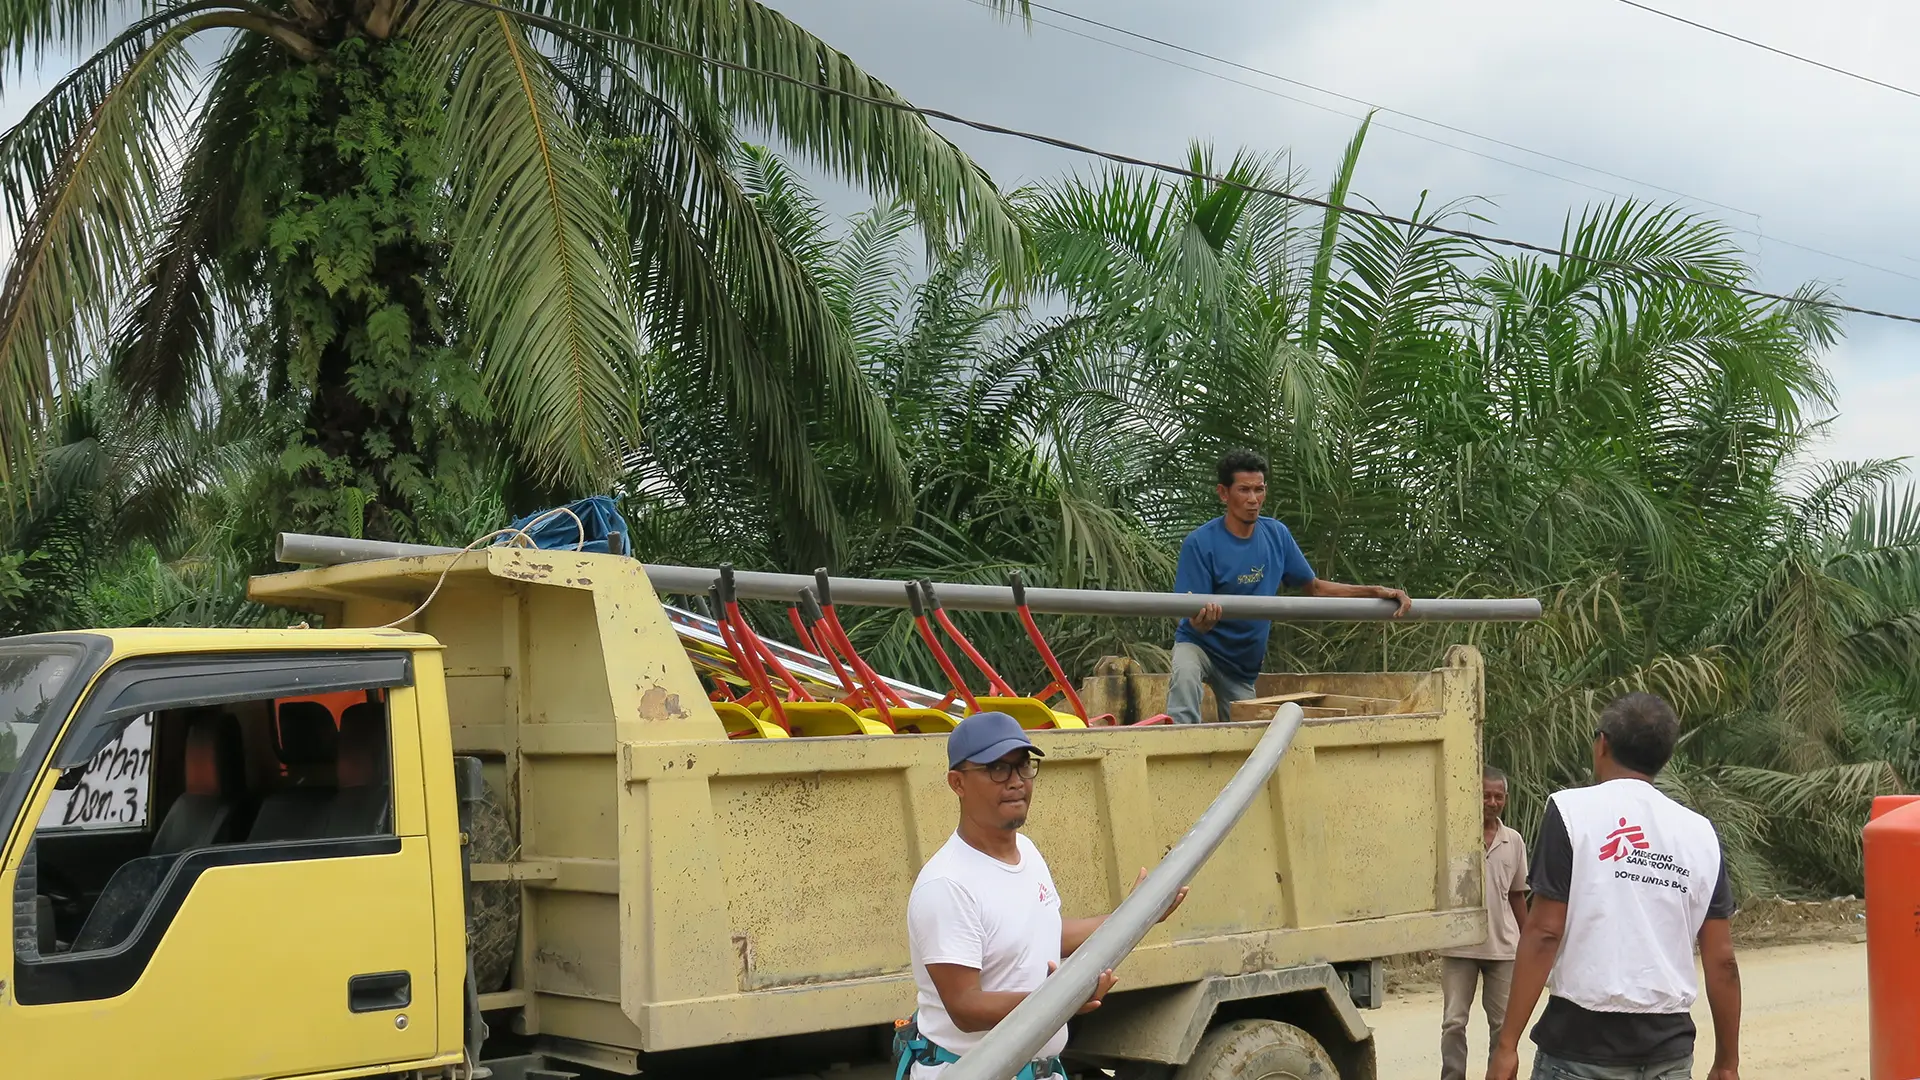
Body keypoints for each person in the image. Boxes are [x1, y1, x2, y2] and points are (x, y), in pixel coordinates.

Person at [902, 711, 1189, 1079]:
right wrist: (1061, 1000)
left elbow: (1044, 932)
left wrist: (1138, 913)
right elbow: (965, 1008)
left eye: (1023, 767)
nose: (1016, 782)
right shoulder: (947, 885)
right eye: (997, 769)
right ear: (957, 783)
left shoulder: (1028, 853)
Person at [1488, 693, 1741, 1080]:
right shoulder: (1700, 833)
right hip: (1667, 1056)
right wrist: (1726, 1063)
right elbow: (1722, 960)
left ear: (1602, 744)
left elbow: (1543, 933)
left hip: (1579, 1051)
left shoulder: (1571, 812)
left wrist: (1507, 1046)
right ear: (1664, 757)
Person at [1168, 449, 1410, 724]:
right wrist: (1201, 621)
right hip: (1199, 645)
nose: (1253, 499)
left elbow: (1314, 588)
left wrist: (1375, 591)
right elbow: (1191, 615)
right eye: (1244, 490)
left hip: (1240, 664)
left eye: (1259, 490)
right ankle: (1177, 746)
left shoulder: (1276, 535)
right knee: (1185, 675)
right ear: (1224, 493)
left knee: (1247, 734)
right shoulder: (1200, 543)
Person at [1438, 766, 1529, 1080]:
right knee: (1453, 1022)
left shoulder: (1513, 841)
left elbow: (1517, 895)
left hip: (1502, 948)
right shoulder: (1454, 836)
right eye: (1486, 795)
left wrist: (1528, 938)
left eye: (1498, 796)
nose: (1492, 802)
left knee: (1503, 1026)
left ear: (1505, 799)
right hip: (1458, 946)